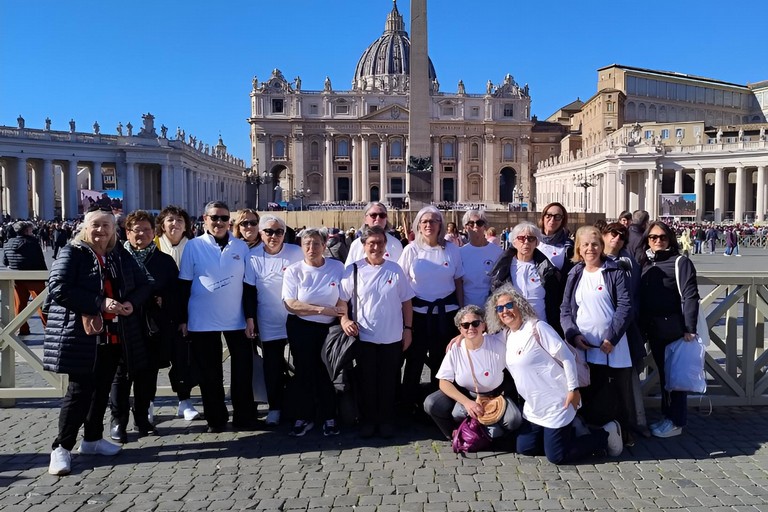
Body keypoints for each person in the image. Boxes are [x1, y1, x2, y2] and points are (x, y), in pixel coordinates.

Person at [44, 207, 153, 476]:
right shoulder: (73, 252)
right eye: (95, 225)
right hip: (80, 334)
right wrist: (99, 303)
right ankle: (62, 447)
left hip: (113, 333)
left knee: (102, 388)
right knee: (79, 391)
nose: (100, 230)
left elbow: (145, 283)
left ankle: (92, 439)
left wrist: (130, 302)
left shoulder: (118, 254)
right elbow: (58, 287)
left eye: (106, 225)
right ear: (85, 227)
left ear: (114, 229)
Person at [485, 284, 622, 464]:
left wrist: (573, 389)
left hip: (557, 402)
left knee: (557, 457)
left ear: (519, 305)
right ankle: (569, 434)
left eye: (509, 305)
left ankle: (605, 434)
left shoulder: (537, 328)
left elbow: (567, 358)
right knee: (525, 448)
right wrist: (461, 337)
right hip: (534, 407)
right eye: (500, 308)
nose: (505, 311)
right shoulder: (507, 335)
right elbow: (481, 339)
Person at [179, 201, 257, 433]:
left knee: (242, 369)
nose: (219, 222)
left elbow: (248, 285)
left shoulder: (241, 247)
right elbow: (184, 284)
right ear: (205, 219)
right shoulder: (193, 246)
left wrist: (250, 317)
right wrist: (183, 319)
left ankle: (244, 416)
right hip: (202, 319)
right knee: (209, 372)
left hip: (236, 318)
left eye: (224, 218)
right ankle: (216, 419)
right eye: (215, 218)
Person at [339, 225, 414, 438]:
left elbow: (406, 302)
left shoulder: (395, 269)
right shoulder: (353, 270)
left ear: (385, 245)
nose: (376, 247)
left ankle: (387, 419)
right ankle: (369, 420)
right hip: (364, 336)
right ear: (363, 245)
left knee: (389, 381)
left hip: (392, 336)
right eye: (371, 243)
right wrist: (344, 320)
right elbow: (342, 300)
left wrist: (408, 329)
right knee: (367, 381)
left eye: (380, 243)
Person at [560, 226, 633, 442]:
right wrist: (573, 335)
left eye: (594, 244)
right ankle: (590, 435)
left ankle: (621, 433)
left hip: (611, 345)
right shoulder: (575, 273)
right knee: (589, 391)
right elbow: (565, 309)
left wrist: (612, 337)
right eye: (585, 245)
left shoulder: (614, 271)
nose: (590, 249)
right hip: (583, 345)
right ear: (578, 249)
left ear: (601, 246)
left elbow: (625, 306)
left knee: (616, 392)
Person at [109, 210, 176, 442]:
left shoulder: (164, 261)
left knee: (148, 374)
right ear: (127, 232)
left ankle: (142, 417)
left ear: (153, 232)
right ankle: (118, 420)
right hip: (123, 324)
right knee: (121, 375)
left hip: (152, 326)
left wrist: (163, 299)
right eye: (136, 230)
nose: (142, 234)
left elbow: (174, 292)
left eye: (147, 230)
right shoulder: (116, 258)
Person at [639, 221, 701, 438]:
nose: (658, 241)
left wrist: (690, 328)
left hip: (674, 329)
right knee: (665, 376)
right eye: (653, 237)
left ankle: (676, 421)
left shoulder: (680, 262)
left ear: (670, 239)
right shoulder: (646, 262)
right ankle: (667, 416)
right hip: (653, 328)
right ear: (647, 240)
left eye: (662, 237)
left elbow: (690, 295)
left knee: (676, 377)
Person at [398, 206, 464, 410]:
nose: (429, 225)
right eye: (425, 221)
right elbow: (401, 284)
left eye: (434, 221)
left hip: (447, 313)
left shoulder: (451, 249)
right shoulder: (411, 250)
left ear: (440, 225)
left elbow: (458, 281)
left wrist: (461, 313)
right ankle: (407, 405)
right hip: (418, 314)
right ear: (418, 225)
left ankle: (439, 407)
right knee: (414, 361)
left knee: (442, 361)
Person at [282, 227, 346, 437]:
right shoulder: (294, 271)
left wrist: (337, 313)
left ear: (324, 245)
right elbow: (291, 304)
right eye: (307, 244)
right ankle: (304, 416)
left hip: (329, 328)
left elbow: (343, 296)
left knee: (327, 372)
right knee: (304, 371)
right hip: (302, 327)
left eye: (316, 244)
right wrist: (322, 309)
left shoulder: (337, 267)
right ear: (301, 247)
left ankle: (329, 416)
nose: (312, 248)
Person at [424, 305, 522, 440]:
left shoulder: (498, 342)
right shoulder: (455, 348)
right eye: (465, 325)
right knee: (435, 404)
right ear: (460, 329)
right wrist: (467, 402)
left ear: (483, 325)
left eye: (475, 323)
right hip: (468, 395)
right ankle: (456, 435)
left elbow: (513, 327)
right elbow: (443, 381)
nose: (470, 328)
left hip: (496, 395)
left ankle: (490, 434)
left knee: (513, 420)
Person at [245, 214, 303, 426]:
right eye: (269, 231)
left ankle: (303, 405)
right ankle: (275, 407)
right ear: (261, 233)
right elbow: (249, 291)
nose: (274, 236)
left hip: (297, 317)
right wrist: (250, 319)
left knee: (302, 362)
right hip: (268, 318)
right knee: (272, 366)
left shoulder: (296, 252)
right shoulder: (252, 257)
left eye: (279, 232)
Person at [153, 205, 199, 421]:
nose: (175, 224)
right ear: (162, 225)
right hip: (156, 314)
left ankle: (184, 401)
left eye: (180, 220)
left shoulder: (194, 246)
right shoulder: (152, 245)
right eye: (170, 220)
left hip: (186, 311)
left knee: (183, 359)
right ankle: (147, 403)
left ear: (186, 225)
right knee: (151, 360)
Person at [489, 221, 563, 335]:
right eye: (521, 238)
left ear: (537, 243)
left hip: (541, 330)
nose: (526, 242)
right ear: (514, 242)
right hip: (512, 331)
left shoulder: (547, 269)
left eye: (531, 238)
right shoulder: (502, 270)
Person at [3, 221, 48, 335]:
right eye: (31, 230)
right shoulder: (32, 243)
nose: (32, 232)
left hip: (16, 278)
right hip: (34, 277)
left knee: (19, 304)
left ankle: (22, 328)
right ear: (26, 231)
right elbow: (40, 260)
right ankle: (47, 327)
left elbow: (5, 262)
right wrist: (46, 275)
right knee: (41, 304)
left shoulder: (8, 243)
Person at [460, 210, 503, 308]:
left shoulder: (497, 252)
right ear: (466, 228)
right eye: (471, 223)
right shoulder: (460, 253)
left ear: (485, 226)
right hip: (468, 308)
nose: (475, 226)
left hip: (492, 307)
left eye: (479, 223)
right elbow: (458, 284)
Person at [537, 202, 574, 272]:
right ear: (543, 217)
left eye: (557, 217)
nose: (552, 220)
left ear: (562, 220)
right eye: (548, 215)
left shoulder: (569, 246)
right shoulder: (531, 240)